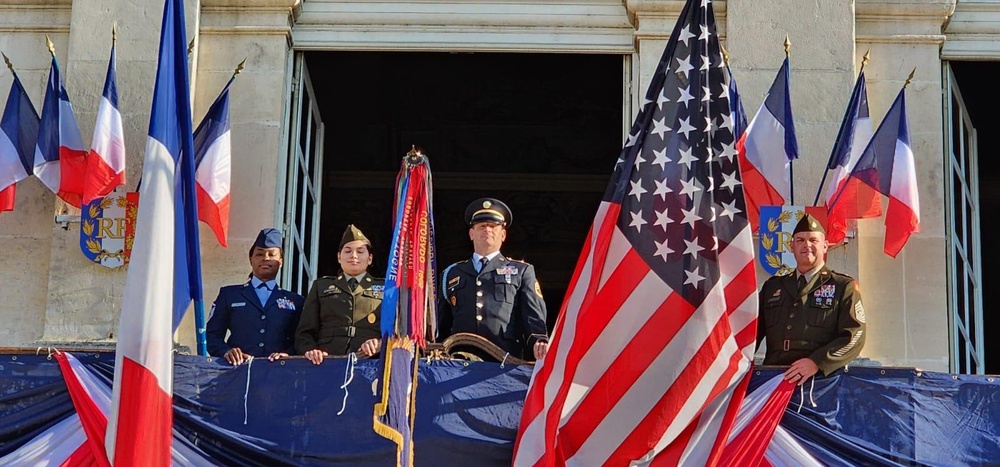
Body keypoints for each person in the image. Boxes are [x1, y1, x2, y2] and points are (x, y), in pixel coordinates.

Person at [756, 213, 866, 385]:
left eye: (813, 240)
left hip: (821, 382)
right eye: (800, 240)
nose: (806, 245)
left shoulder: (843, 286)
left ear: (825, 246)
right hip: (773, 379)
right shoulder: (773, 287)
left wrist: (817, 362)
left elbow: (854, 335)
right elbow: (751, 334)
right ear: (791, 246)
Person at [438, 198, 549, 361]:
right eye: (482, 226)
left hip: (505, 359)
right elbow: (442, 322)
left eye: (493, 226)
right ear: (471, 234)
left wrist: (539, 339)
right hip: (458, 359)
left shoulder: (521, 270)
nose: (487, 230)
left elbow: (533, 314)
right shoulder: (451, 273)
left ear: (503, 234)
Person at [206, 228, 305, 365]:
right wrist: (225, 352)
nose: (265, 258)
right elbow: (212, 335)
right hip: (237, 372)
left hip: (278, 374)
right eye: (259, 254)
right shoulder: (229, 295)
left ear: (280, 262)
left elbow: (301, 339)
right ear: (251, 259)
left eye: (272, 254)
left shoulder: (295, 301)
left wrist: (289, 355)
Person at [295, 224, 383, 364]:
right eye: (347, 251)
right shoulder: (321, 286)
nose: (353, 256)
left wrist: (380, 344)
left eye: (360, 252)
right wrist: (310, 350)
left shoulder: (386, 288)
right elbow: (305, 332)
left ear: (370, 258)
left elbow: (397, 331)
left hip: (371, 363)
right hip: (328, 362)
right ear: (339, 257)